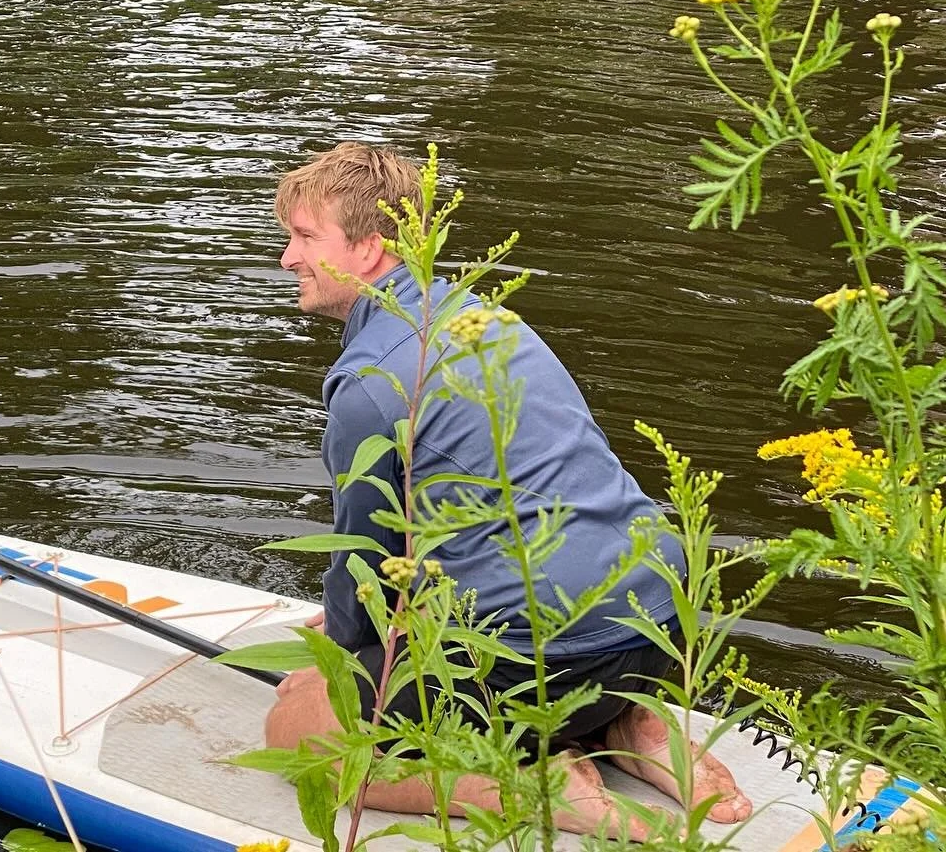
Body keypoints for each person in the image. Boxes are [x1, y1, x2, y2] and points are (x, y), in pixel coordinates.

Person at [263, 142, 750, 838]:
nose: (288, 257)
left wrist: (338, 665)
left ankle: (523, 785)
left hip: (548, 657)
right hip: (658, 626)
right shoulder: (493, 322)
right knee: (536, 634)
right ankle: (626, 722)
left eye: (306, 236)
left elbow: (365, 556)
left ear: (369, 249)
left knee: (295, 726)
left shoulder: (372, 385)